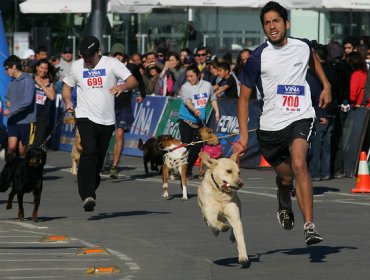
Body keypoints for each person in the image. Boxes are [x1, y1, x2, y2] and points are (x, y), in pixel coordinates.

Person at [232, 1, 331, 246]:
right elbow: (243, 99)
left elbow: (314, 60)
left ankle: (309, 226)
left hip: (300, 116)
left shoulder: (302, 46)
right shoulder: (257, 57)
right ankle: (284, 198)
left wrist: (326, 85)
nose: (272, 26)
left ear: (286, 23)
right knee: (286, 178)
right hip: (270, 127)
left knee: (299, 164)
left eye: (276, 21)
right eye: (267, 23)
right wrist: (244, 137)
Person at [62, 35, 138, 212]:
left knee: (97, 160)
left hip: (106, 120)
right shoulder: (76, 66)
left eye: (91, 56)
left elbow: (132, 80)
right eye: (84, 56)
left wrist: (122, 87)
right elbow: (67, 87)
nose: (87, 60)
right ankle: (88, 195)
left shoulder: (111, 63)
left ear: (99, 52)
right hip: (84, 116)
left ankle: (89, 185)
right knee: (89, 151)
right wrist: (68, 102)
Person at [107, 44, 146, 179]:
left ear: (124, 55)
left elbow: (139, 80)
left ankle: (114, 166)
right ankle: (105, 161)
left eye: (120, 54)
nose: (118, 56)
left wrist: (142, 94)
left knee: (119, 134)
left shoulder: (131, 67)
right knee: (105, 136)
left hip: (124, 106)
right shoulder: (107, 66)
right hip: (108, 105)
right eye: (115, 54)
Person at [178, 65, 220, 179]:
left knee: (197, 147)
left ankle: (188, 170)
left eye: (192, 76)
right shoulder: (185, 87)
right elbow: (187, 102)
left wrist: (217, 111)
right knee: (186, 145)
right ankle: (180, 168)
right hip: (186, 120)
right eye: (187, 76)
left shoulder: (207, 85)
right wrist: (195, 110)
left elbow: (212, 99)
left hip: (200, 123)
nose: (189, 79)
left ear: (198, 75)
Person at [2, 55, 36, 157]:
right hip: (13, 120)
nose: (6, 71)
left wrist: (10, 110)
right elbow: (7, 97)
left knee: (22, 151)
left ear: (14, 67)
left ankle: (21, 171)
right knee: (11, 148)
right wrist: (7, 102)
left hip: (26, 121)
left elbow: (27, 101)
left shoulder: (28, 80)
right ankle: (9, 171)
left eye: (7, 68)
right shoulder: (12, 82)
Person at [32, 58, 57, 147]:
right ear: (37, 68)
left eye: (45, 69)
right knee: (28, 138)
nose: (43, 71)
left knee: (39, 139)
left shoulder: (49, 82)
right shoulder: (31, 78)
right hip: (30, 111)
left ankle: (35, 158)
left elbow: (52, 97)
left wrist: (41, 84)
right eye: (41, 68)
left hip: (42, 113)